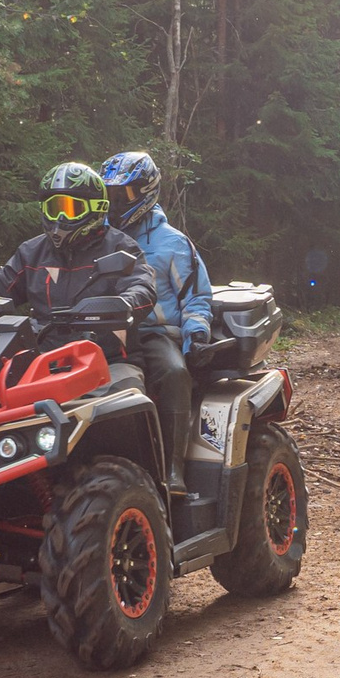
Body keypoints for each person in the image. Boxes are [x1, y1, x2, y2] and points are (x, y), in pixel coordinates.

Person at [100, 150, 215, 496]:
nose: (117, 202)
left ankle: (172, 469)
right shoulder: (94, 239)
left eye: (125, 194)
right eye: (111, 194)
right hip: (103, 332)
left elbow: (196, 296)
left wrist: (196, 335)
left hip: (155, 334)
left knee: (175, 373)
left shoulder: (173, 243)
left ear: (147, 192)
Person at [0, 163, 158, 352]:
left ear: (97, 207)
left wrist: (122, 304)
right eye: (54, 208)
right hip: (42, 360)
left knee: (128, 383)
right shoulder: (32, 252)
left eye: (71, 208)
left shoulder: (120, 246)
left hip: (109, 359)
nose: (60, 217)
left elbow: (142, 287)